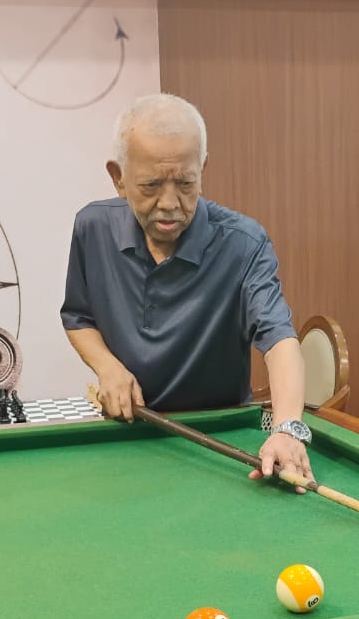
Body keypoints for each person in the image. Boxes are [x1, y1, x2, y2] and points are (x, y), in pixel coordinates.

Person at [60, 93, 314, 484]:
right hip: (124, 434)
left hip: (219, 441)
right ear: (118, 177)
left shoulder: (244, 243)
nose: (169, 203)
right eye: (150, 185)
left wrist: (287, 427)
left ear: (203, 169)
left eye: (185, 182)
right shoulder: (92, 228)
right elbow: (78, 317)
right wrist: (108, 368)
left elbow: (279, 339)